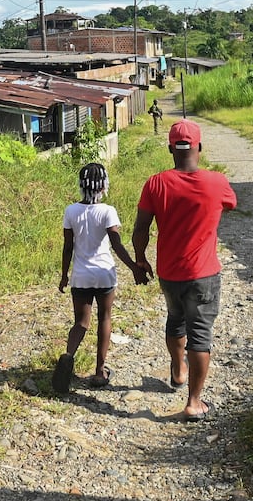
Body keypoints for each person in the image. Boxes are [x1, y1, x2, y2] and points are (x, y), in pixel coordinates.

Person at [133, 120, 237, 421]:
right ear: (199, 148)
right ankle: (194, 402)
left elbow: (141, 228)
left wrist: (140, 260)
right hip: (204, 274)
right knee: (200, 334)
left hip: (169, 272)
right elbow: (230, 204)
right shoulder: (217, 182)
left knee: (175, 320)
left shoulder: (155, 183)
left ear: (170, 149)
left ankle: (178, 370)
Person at [53, 163, 150, 394]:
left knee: (81, 322)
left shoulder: (71, 211)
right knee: (104, 318)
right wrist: (134, 268)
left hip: (81, 275)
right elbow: (116, 244)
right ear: (104, 185)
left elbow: (68, 248)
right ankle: (99, 371)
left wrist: (64, 276)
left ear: (81, 185)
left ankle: (68, 356)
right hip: (104, 274)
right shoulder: (108, 211)